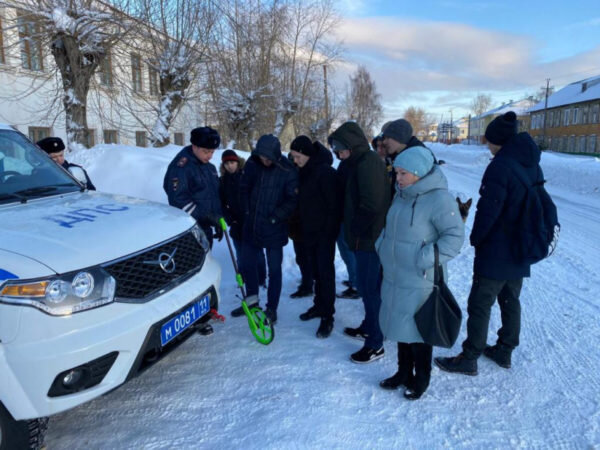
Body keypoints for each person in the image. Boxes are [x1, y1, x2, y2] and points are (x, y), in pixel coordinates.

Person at [435, 111, 542, 375]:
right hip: (521, 245)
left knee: (480, 303)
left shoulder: (501, 166)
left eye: (489, 140)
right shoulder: (531, 163)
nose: (487, 145)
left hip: (497, 248)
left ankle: (470, 357)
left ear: (499, 141)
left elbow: (488, 210)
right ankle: (505, 350)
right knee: (510, 299)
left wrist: (476, 239)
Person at [376, 146, 464, 400]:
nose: (398, 178)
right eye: (397, 173)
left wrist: (425, 258)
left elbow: (454, 237)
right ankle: (403, 372)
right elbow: (389, 226)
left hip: (420, 277)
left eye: (403, 174)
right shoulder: (401, 194)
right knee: (400, 325)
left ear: (419, 173)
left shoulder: (440, 199)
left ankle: (421, 377)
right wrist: (382, 244)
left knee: (418, 330)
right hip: (396, 273)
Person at [328, 121, 390, 363]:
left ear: (351, 146)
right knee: (365, 287)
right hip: (362, 238)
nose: (337, 154)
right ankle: (368, 326)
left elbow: (372, 204)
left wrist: (355, 229)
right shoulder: (355, 163)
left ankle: (375, 343)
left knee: (370, 289)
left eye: (339, 150)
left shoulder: (369, 163)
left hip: (369, 240)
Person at [231, 134, 298, 324]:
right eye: (262, 157)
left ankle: (271, 308)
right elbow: (244, 189)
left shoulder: (287, 170)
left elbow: (292, 200)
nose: (265, 161)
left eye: (269, 158)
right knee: (247, 265)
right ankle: (252, 302)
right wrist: (246, 211)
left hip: (274, 228)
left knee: (274, 270)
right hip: (251, 226)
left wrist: (276, 216)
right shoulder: (253, 165)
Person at [290, 135, 340, 338]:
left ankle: (328, 315)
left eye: (297, 156)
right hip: (307, 232)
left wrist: (328, 233)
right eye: (293, 156)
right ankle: (318, 306)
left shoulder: (325, 172)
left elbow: (334, 207)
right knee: (316, 273)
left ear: (307, 153)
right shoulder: (304, 171)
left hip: (324, 235)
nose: (295, 160)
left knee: (325, 274)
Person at [163, 127, 222, 248]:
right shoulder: (181, 167)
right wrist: (205, 217)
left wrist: (217, 219)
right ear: (194, 146)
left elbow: (214, 195)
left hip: (204, 229)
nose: (210, 156)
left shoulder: (209, 168)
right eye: (206, 151)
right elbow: (178, 200)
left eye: (212, 152)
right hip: (189, 231)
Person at [219, 149, 267, 287]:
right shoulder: (222, 182)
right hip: (236, 223)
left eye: (232, 162)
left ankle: (261, 279)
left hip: (251, 222)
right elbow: (222, 204)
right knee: (240, 254)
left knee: (257, 253)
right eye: (226, 163)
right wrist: (229, 219)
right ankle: (244, 279)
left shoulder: (247, 176)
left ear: (238, 162)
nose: (230, 166)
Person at [381, 119, 427, 199]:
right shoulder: (399, 155)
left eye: (387, 138)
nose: (384, 142)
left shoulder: (417, 156)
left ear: (399, 137)